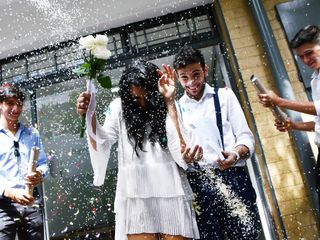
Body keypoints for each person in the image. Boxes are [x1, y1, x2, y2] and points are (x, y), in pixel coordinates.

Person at [76, 59, 201, 240]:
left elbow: (180, 148)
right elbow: (102, 141)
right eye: (136, 98)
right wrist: (90, 114)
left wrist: (169, 100)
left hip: (170, 188)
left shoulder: (165, 100)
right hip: (135, 192)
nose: (142, 103)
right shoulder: (118, 107)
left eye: (147, 96)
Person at [159, 45, 259, 239]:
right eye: (184, 77)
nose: (191, 83)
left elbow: (246, 137)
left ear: (205, 70)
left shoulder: (224, 96)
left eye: (196, 74)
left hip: (234, 178)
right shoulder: (176, 108)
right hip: (200, 184)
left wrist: (236, 154)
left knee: (245, 236)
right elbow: (178, 150)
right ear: (178, 79)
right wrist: (186, 158)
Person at [258, 25, 320, 200]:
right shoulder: (315, 78)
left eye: (309, 53)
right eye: (301, 57)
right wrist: (295, 125)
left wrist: (278, 101)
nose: (306, 60)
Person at [0, 82, 48, 240]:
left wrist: (39, 174)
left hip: (31, 202)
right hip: (3, 206)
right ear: (0, 104)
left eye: (19, 104)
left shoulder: (31, 134)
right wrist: (10, 193)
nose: (15, 109)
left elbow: (42, 163)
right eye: (10, 103)